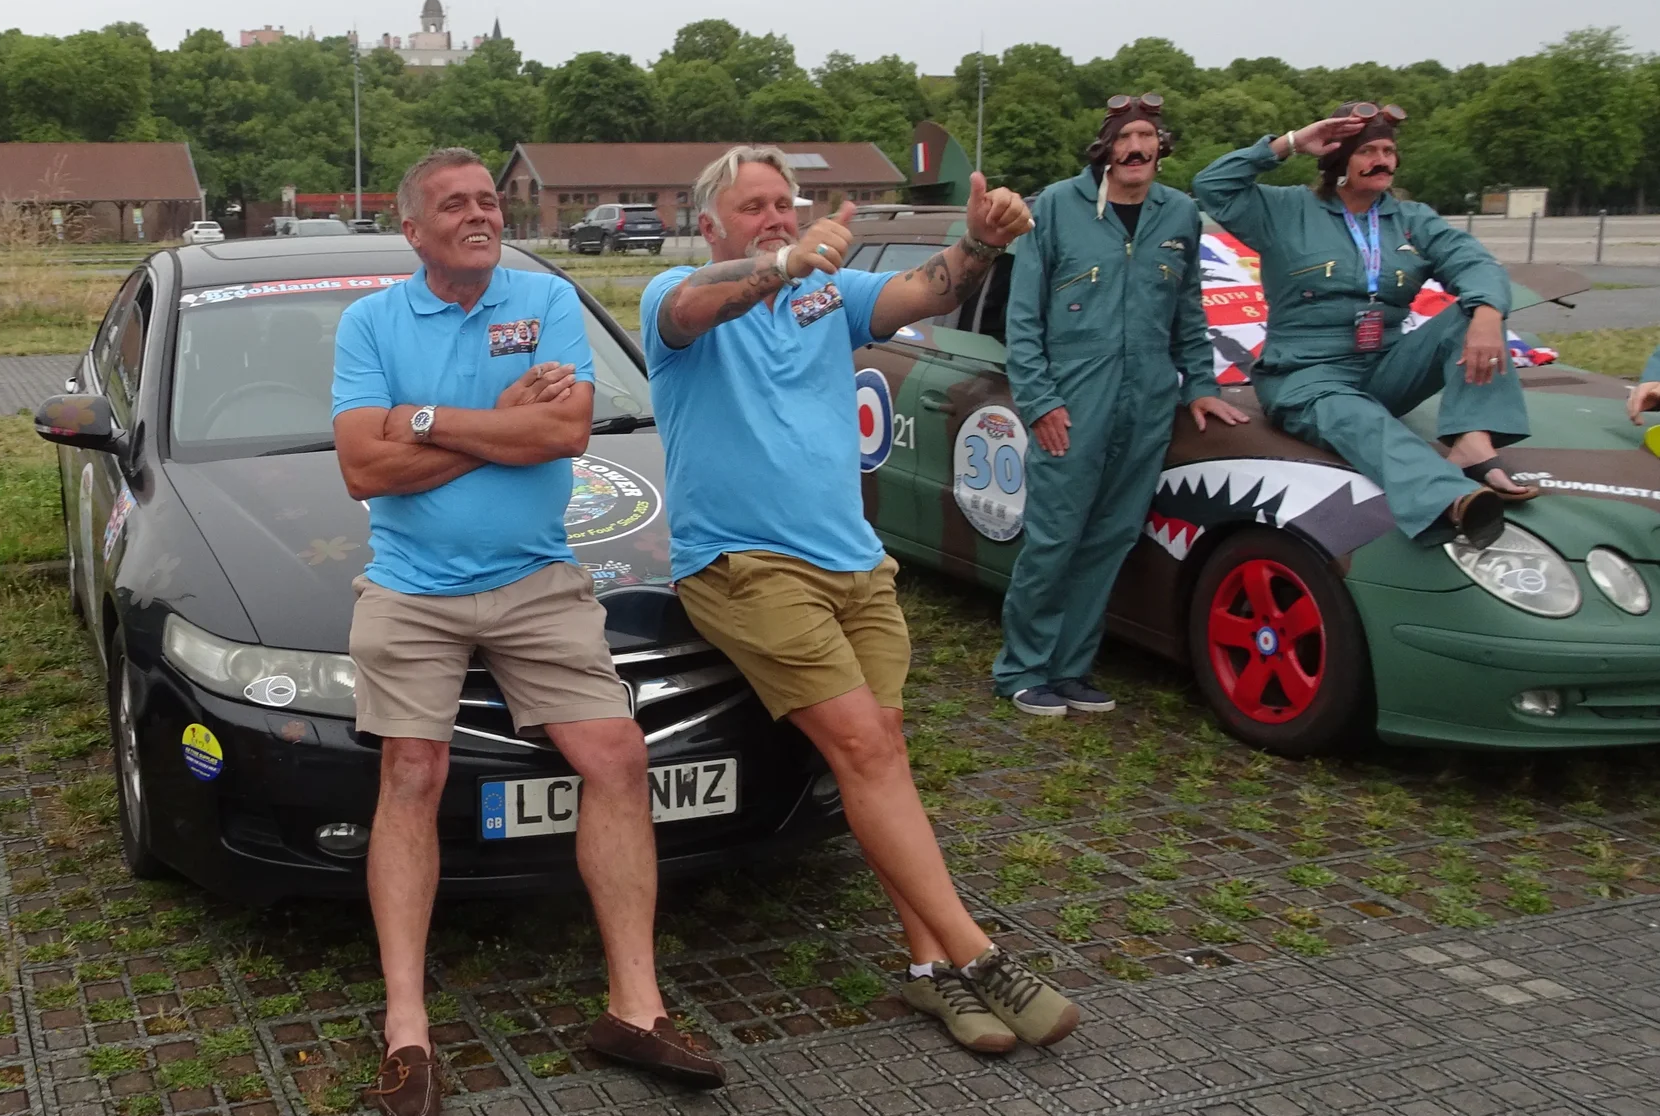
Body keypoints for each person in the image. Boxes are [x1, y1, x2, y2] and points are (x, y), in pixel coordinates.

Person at [643, 146, 1080, 1056]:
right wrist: (777, 266)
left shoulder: (825, 298)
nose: (775, 215)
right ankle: (979, 954)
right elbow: (694, 309)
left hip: (855, 563)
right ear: (711, 224)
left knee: (878, 759)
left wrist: (979, 242)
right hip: (744, 565)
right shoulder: (676, 295)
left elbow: (929, 291)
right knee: (867, 746)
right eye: (753, 206)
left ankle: (929, 973)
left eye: (783, 204)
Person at [332, 146, 722, 1116]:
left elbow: (563, 436)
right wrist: (489, 421)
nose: (480, 214)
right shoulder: (370, 322)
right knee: (410, 772)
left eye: (489, 201)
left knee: (618, 757)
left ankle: (634, 1010)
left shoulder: (543, 300)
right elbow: (360, 471)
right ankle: (407, 1031)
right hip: (410, 590)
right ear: (412, 230)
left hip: (538, 584)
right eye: (454, 204)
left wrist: (424, 425)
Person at [995, 95, 1248, 716]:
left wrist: (1203, 386)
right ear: (1104, 148)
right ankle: (1022, 669)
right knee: (1055, 537)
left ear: (1161, 147)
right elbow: (1022, 319)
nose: (1136, 148)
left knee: (1110, 537)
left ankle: (1072, 668)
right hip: (1074, 400)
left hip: (1148, 401)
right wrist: (1040, 400)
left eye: (1147, 137)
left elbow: (1189, 310)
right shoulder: (1055, 207)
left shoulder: (1180, 212)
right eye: (1125, 137)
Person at [1192, 106, 1532, 548]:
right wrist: (1292, 141)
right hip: (1306, 377)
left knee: (1477, 310)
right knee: (1361, 420)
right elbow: (1212, 186)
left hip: (1386, 367)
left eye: (1389, 150)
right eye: (1368, 150)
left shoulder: (1411, 219)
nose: (1382, 160)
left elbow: (1473, 262)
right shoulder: (1286, 209)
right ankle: (1452, 499)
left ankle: (1474, 442)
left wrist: (1488, 313)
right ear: (1339, 162)